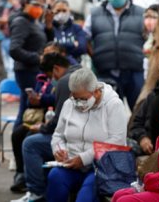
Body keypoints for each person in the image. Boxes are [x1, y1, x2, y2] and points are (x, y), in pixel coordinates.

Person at [46, 68, 128, 202]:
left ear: (96, 91)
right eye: (75, 98)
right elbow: (58, 135)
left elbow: (116, 142)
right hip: (72, 163)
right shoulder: (69, 104)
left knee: (85, 198)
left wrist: (84, 158)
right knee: (55, 177)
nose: (78, 103)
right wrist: (58, 150)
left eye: (83, 99)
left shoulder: (113, 105)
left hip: (102, 168)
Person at [11, 52, 81, 202]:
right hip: (80, 136)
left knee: (30, 143)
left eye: (51, 76)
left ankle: (36, 192)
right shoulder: (81, 73)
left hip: (72, 139)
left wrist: (42, 128)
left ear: (56, 68)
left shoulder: (65, 81)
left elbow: (59, 122)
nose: (52, 81)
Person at [83, 0, 145, 110]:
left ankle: (137, 132)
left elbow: (150, 37)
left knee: (139, 109)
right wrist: (95, 56)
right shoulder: (94, 14)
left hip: (134, 70)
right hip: (106, 72)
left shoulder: (141, 13)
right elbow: (85, 38)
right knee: (109, 110)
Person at [9, 0, 51, 130]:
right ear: (26, 4)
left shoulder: (35, 22)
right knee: (27, 111)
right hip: (27, 72)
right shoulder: (21, 21)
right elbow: (14, 49)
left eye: (42, 6)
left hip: (36, 70)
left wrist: (49, 27)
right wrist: (37, 58)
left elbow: (44, 44)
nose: (39, 8)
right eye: (35, 4)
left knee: (32, 111)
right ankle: (19, 143)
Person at [10, 69, 55, 193]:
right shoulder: (41, 77)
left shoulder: (60, 79)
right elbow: (29, 102)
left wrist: (41, 99)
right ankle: (20, 173)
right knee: (17, 134)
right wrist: (32, 99)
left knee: (30, 141)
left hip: (50, 119)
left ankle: (34, 188)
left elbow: (56, 99)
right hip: (37, 117)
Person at [51, 0, 87, 64]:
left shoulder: (77, 28)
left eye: (64, 11)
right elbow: (48, 50)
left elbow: (82, 48)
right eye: (58, 11)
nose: (61, 13)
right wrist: (73, 44)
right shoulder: (49, 29)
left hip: (74, 66)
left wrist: (57, 45)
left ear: (69, 11)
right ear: (53, 11)